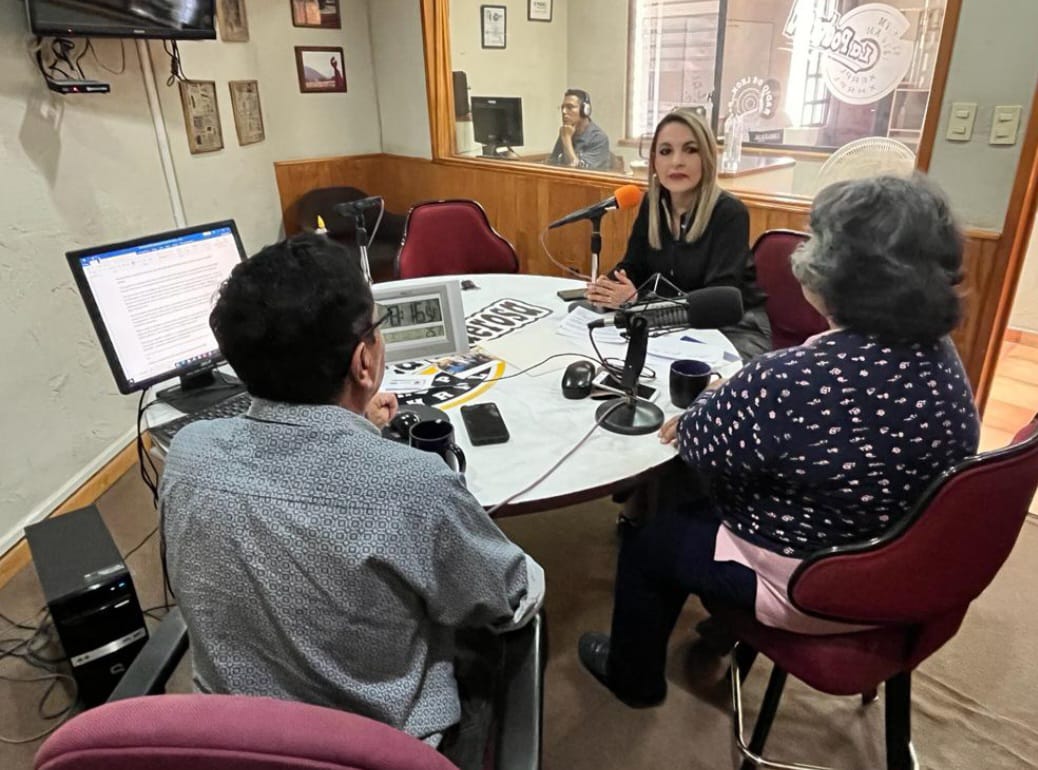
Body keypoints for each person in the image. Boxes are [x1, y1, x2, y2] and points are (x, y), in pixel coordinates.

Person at [577, 174, 980, 708]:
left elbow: (697, 442)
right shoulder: (943, 355)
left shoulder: (792, 378)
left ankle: (634, 677)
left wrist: (724, 398)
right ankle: (723, 630)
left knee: (655, 537)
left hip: (818, 580)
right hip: (903, 561)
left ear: (838, 270)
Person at [159, 234, 544, 769]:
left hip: (235, 743)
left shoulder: (187, 451)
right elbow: (511, 597)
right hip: (381, 750)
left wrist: (353, 428)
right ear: (364, 360)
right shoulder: (415, 484)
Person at [586, 108, 770, 362]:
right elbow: (633, 266)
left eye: (690, 150)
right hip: (667, 321)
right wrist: (609, 289)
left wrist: (641, 301)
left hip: (735, 328)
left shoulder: (730, 212)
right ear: (654, 162)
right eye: (665, 151)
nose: (676, 161)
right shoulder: (652, 203)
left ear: (706, 158)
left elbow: (719, 298)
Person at [545, 88, 613, 171]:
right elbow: (552, 163)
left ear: (585, 111)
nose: (564, 111)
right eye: (562, 107)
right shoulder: (567, 132)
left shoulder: (599, 138)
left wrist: (566, 140)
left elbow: (579, 173)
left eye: (570, 107)